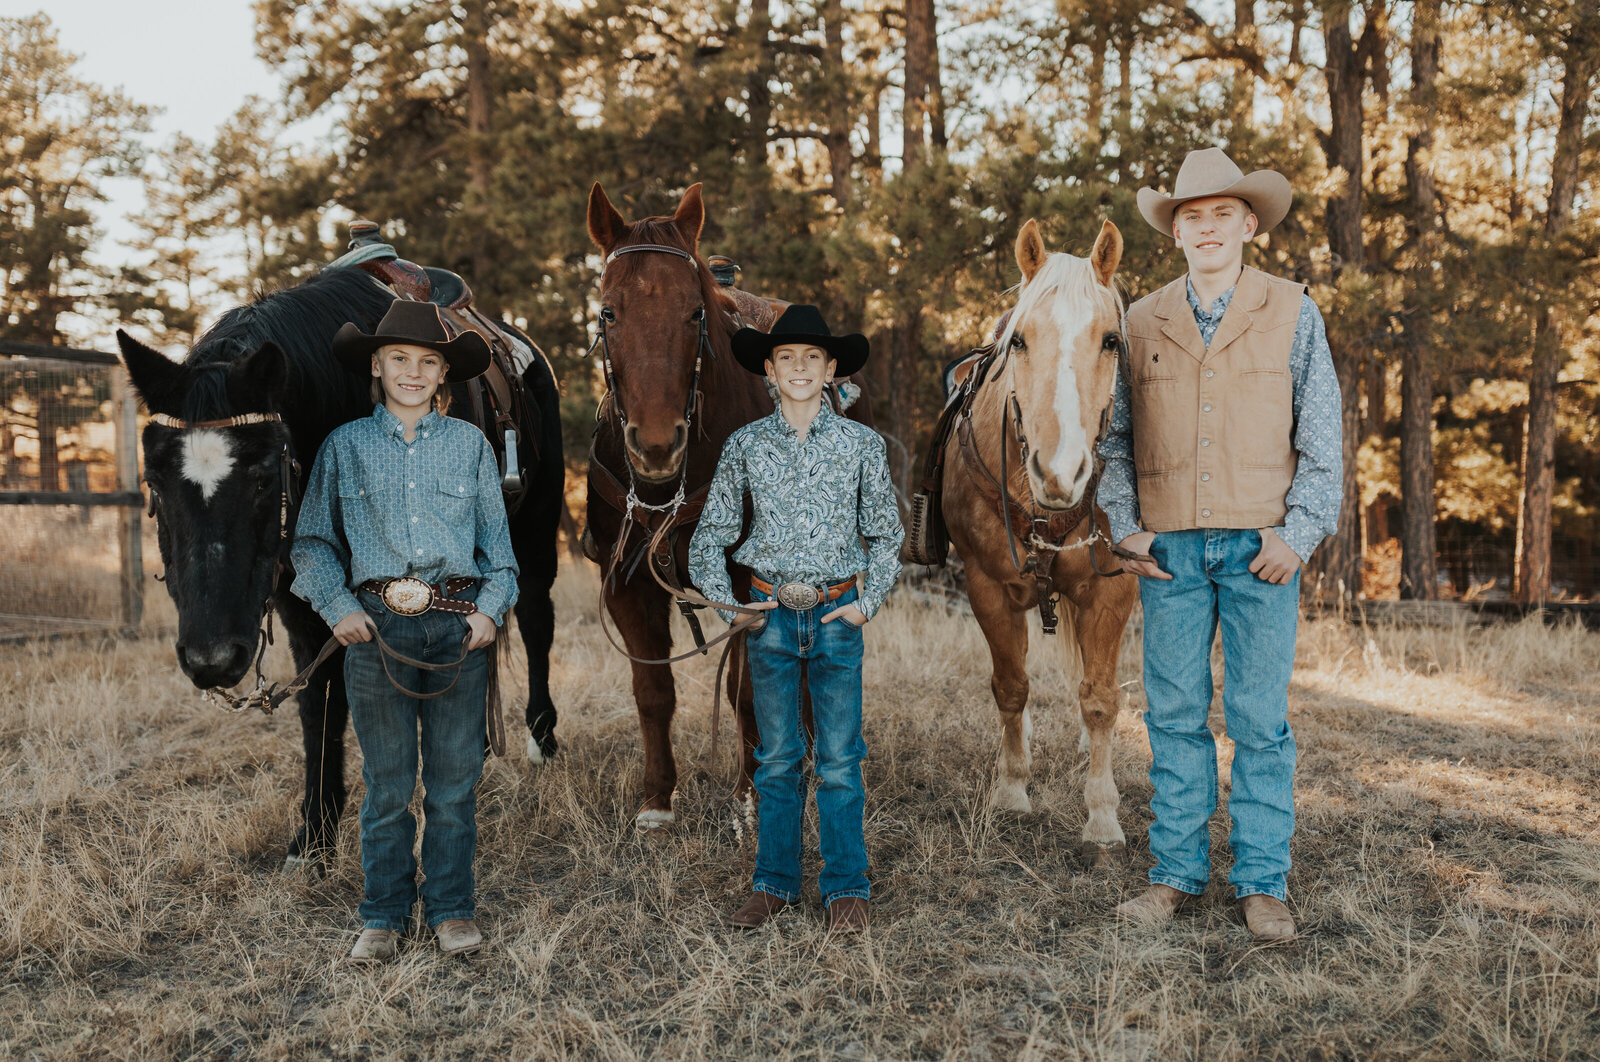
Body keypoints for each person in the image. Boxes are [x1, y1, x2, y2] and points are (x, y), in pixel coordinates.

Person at [1097, 148, 1342, 941]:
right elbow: (1114, 442)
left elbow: (1324, 437)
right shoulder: (1140, 319)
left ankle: (1262, 883)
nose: (1206, 227)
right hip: (1167, 549)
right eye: (1190, 217)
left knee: (1259, 720)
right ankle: (1173, 876)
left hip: (1260, 549)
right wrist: (1124, 523)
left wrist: (1298, 534)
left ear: (1247, 223)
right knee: (1172, 715)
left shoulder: (1293, 310)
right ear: (1174, 233)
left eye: (1220, 214)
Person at [291, 300, 518, 964]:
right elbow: (310, 544)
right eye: (398, 360)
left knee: (453, 783)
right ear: (377, 365)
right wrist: (338, 607)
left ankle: (450, 910)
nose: (411, 374)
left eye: (425, 362)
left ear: (443, 372)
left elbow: (498, 555)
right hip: (377, 630)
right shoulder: (345, 447)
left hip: (456, 627)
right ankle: (383, 915)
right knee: (388, 785)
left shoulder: (469, 446)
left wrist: (489, 613)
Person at [688, 304, 903, 934]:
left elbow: (886, 535)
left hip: (838, 614)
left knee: (839, 758)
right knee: (777, 757)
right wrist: (731, 607)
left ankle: (846, 886)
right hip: (772, 618)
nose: (800, 368)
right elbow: (710, 540)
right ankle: (774, 883)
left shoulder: (861, 445)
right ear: (770, 372)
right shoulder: (746, 447)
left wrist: (868, 603)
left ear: (832, 368)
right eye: (787, 359)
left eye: (813, 357)